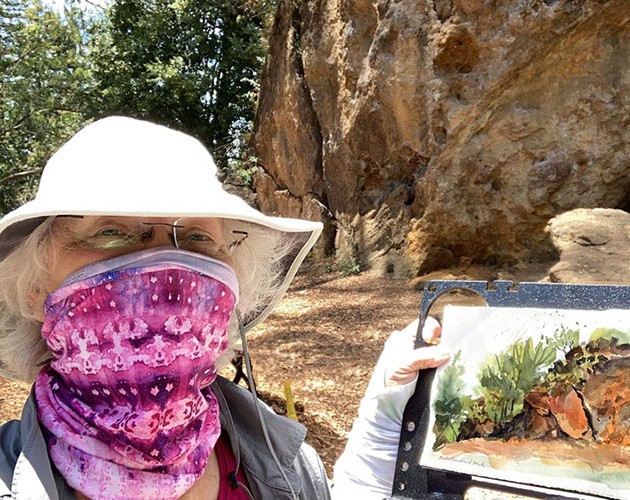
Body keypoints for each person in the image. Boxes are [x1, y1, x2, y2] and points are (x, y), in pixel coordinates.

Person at [0, 117, 448, 499]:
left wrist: (385, 431)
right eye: (112, 232)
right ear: (33, 288)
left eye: (197, 238)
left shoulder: (288, 464)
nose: (168, 269)